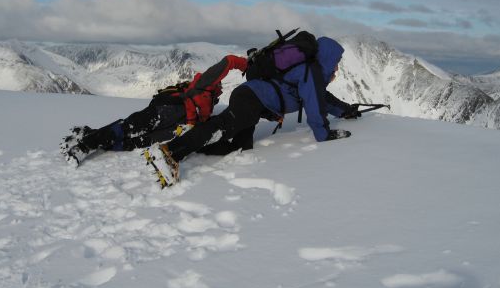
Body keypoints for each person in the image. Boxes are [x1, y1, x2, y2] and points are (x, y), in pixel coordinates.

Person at [150, 35, 360, 181]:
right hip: (250, 99)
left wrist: (346, 110)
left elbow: (322, 98)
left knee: (239, 146)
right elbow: (315, 104)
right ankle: (171, 153)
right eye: (336, 62)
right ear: (327, 59)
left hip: (250, 98)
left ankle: (192, 142)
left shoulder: (309, 73)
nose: (337, 68)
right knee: (222, 127)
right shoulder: (310, 71)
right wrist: (323, 134)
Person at [61, 54, 248, 166]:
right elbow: (229, 61)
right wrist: (246, 64)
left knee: (136, 142)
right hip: (166, 110)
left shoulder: (211, 102)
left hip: (174, 127)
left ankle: (90, 135)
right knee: (128, 128)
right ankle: (84, 146)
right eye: (219, 85)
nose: (221, 87)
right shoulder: (204, 84)